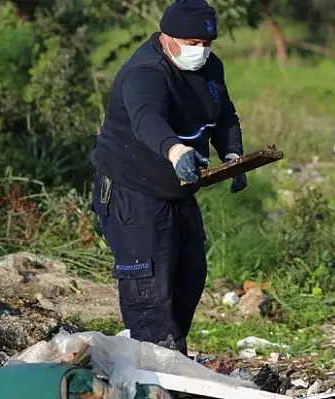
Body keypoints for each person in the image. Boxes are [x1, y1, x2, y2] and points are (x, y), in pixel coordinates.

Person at [89, 0, 247, 356]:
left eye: (207, 44)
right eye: (191, 44)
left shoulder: (209, 68)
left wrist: (233, 156)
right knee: (149, 288)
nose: (200, 51)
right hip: (132, 189)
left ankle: (170, 356)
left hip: (178, 191)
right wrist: (175, 151)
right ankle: (154, 370)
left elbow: (224, 116)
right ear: (167, 37)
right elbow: (147, 119)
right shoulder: (146, 71)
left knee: (190, 275)